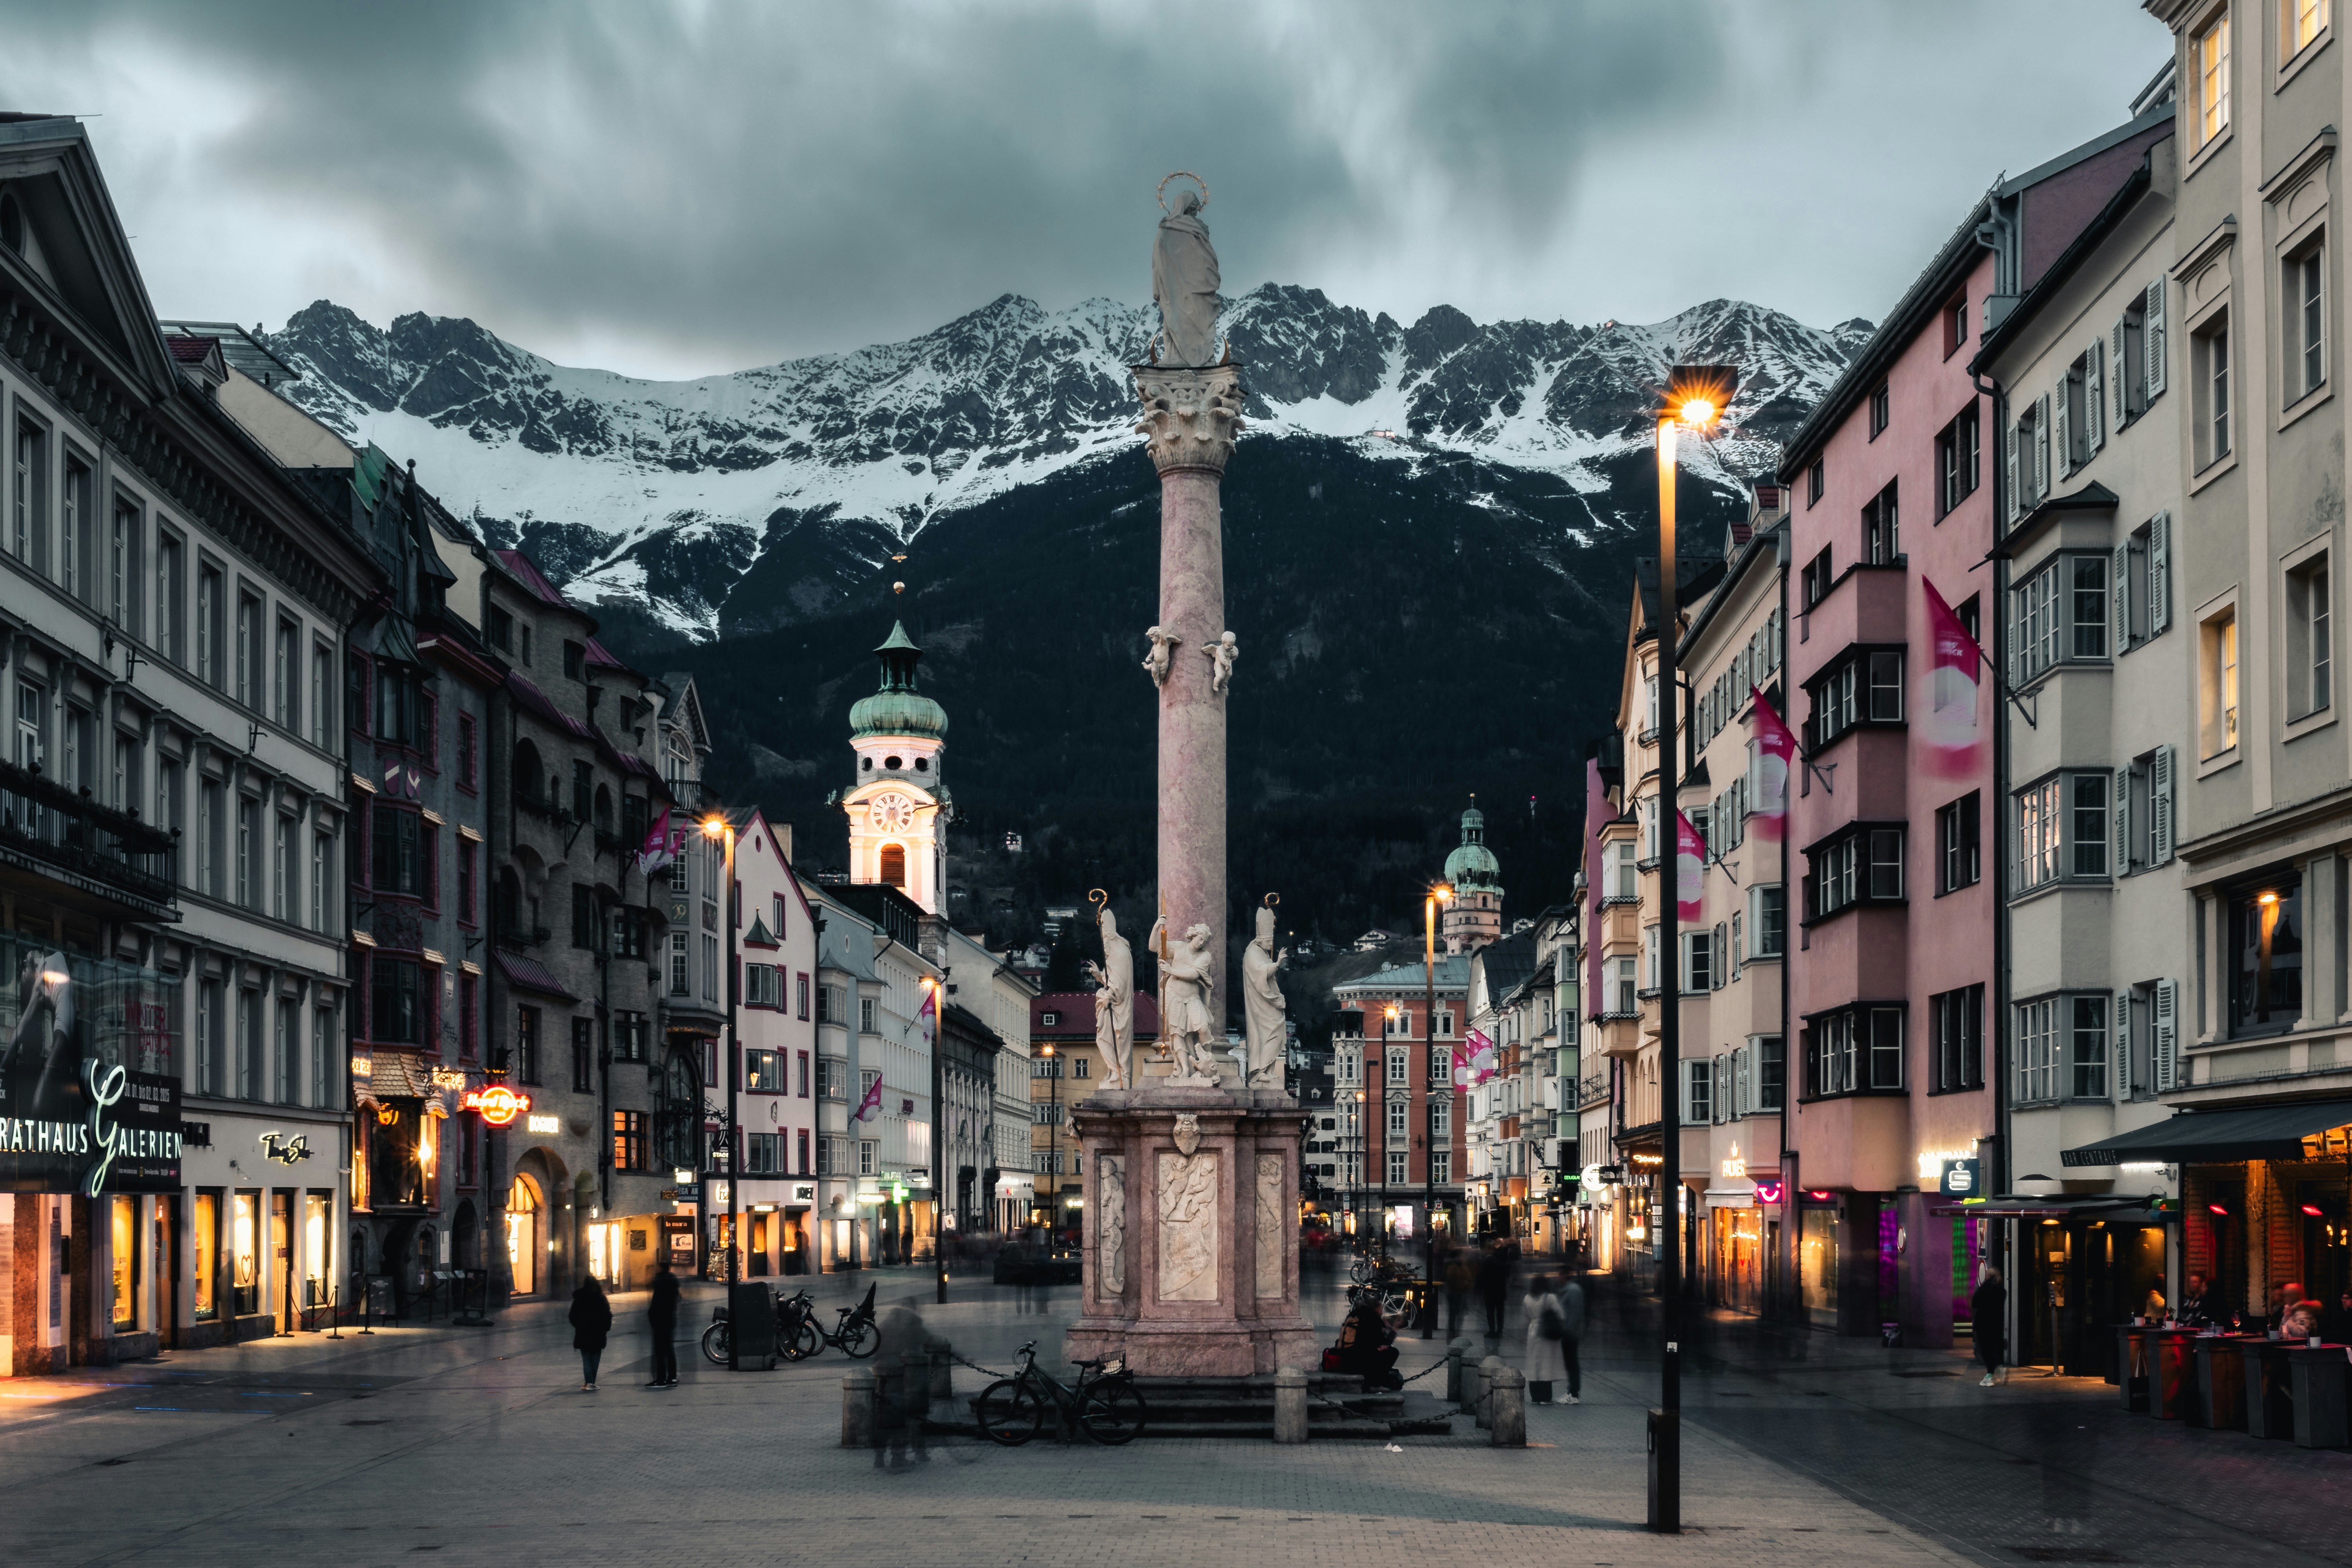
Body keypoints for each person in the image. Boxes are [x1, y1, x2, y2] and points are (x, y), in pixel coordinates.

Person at [1335, 1294, 1401, 1390]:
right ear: (1376, 1309)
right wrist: (1394, 1330)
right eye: (1381, 1309)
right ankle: (1375, 1384)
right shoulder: (1373, 1318)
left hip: (1345, 1359)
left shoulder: (1355, 1314)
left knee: (1376, 1352)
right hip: (1357, 1362)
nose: (1382, 1311)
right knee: (1393, 1352)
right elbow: (1383, 1342)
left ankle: (1374, 1381)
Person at [1522, 1273, 1567, 1406]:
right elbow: (1561, 1315)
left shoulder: (1527, 1298)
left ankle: (1535, 1396)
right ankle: (1546, 1397)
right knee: (1547, 1363)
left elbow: (1525, 1317)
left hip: (1533, 1331)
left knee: (1533, 1363)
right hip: (1546, 1332)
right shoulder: (1551, 1298)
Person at [570, 1273, 613, 1392]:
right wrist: (605, 1328)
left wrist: (579, 1326)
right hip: (598, 1333)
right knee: (595, 1358)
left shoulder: (579, 1298)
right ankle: (591, 1383)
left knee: (586, 1359)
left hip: (583, 1333)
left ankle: (589, 1382)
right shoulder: (601, 1298)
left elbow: (572, 1315)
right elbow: (607, 1315)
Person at [644, 1256, 681, 1388]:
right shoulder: (673, 1282)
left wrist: (652, 1316)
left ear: (660, 1268)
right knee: (669, 1349)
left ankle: (661, 1379)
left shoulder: (660, 1282)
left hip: (660, 1320)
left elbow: (656, 1304)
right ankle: (672, 1378)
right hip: (670, 1320)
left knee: (660, 1351)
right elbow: (678, 1299)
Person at [1971, 1264, 2007, 1387]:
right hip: (1996, 1323)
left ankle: (1990, 1376)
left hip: (1983, 1323)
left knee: (1986, 1350)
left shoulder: (1984, 1289)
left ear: (1988, 1276)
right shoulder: (2001, 1290)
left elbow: (1975, 1304)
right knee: (1994, 1347)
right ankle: (1997, 1369)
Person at [1557, 1270, 1587, 1405]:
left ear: (1565, 1275)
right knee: (1570, 1364)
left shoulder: (1573, 1290)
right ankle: (1571, 1391)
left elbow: (1575, 1313)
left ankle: (1574, 1393)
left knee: (1572, 1363)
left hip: (1571, 1334)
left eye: (1560, 1274)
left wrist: (1567, 1330)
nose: (1558, 1277)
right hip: (1569, 1333)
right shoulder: (1569, 1289)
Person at [1476, 1243, 1511, 1339]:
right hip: (1500, 1291)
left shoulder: (1488, 1261)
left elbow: (1482, 1276)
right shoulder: (1503, 1263)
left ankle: (1492, 1330)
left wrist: (1478, 1288)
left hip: (1490, 1291)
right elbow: (1507, 1276)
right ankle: (1500, 1330)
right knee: (1500, 1312)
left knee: (1490, 1312)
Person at [1443, 1245, 1475, 1341]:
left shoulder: (1462, 1265)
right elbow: (1452, 1279)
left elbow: (1469, 1277)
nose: (1463, 1257)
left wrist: (1467, 1284)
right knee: (1454, 1313)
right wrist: (1464, 1284)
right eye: (1461, 1255)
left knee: (1459, 1314)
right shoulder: (1453, 1267)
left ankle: (1456, 1331)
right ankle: (1453, 1331)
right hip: (1454, 1293)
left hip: (1461, 1293)